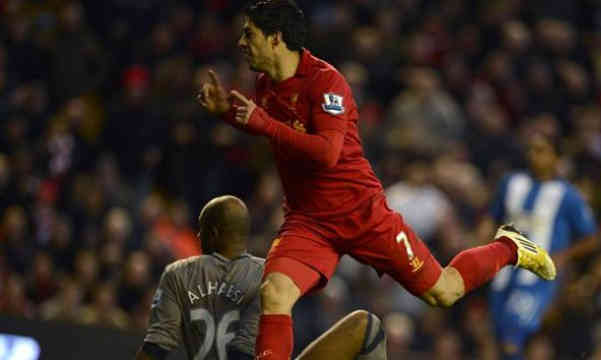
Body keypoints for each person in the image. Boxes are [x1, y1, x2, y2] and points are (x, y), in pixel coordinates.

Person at [196, 1, 556, 359]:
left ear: (275, 38)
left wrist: (264, 124)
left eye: (249, 33)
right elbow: (271, 128)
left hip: (362, 214)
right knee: (274, 292)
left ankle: (510, 247)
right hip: (308, 222)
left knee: (444, 291)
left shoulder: (326, 82)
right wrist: (226, 112)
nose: (241, 42)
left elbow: (327, 152)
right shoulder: (265, 85)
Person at [135, 195, 387, 360]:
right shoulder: (267, 274)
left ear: (212, 232)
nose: (199, 237)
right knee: (367, 326)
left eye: (201, 231)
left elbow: (155, 348)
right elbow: (244, 350)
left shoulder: (177, 273)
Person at [477, 133, 598, 359]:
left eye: (542, 151)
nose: (534, 156)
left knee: (514, 335)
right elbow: (492, 219)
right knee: (498, 335)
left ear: (556, 157)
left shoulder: (567, 195)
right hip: (503, 273)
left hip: (536, 278)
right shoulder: (511, 183)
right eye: (532, 150)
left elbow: (591, 238)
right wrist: (481, 246)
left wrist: (564, 256)